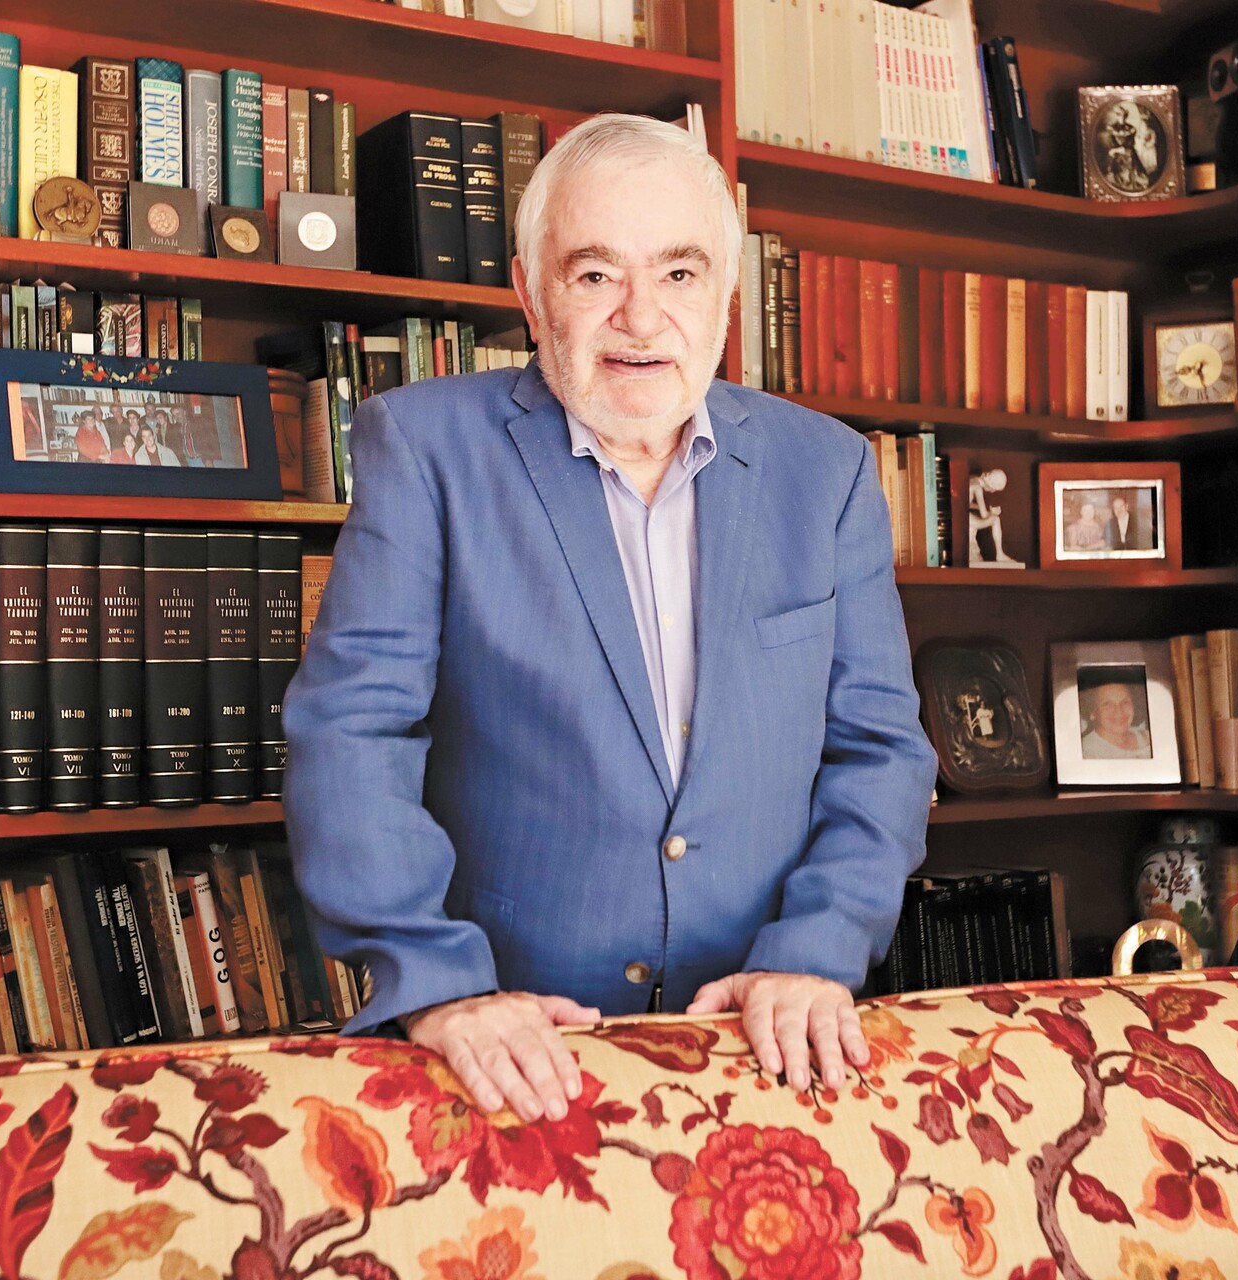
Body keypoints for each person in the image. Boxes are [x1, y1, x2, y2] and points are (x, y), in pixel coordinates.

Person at [284, 113, 937, 1125]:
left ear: (726, 292)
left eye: (679, 272)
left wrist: (816, 952)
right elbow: (352, 733)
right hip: (515, 1049)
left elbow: (881, 749)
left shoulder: (830, 470)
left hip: (761, 1039)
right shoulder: (425, 448)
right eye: (595, 274)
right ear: (530, 291)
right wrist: (439, 982)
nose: (640, 317)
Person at [1082, 681, 1152, 758]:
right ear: (1092, 712)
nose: (1119, 711)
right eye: (1108, 704)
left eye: (1125, 702)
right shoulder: (1087, 752)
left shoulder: (1148, 737)